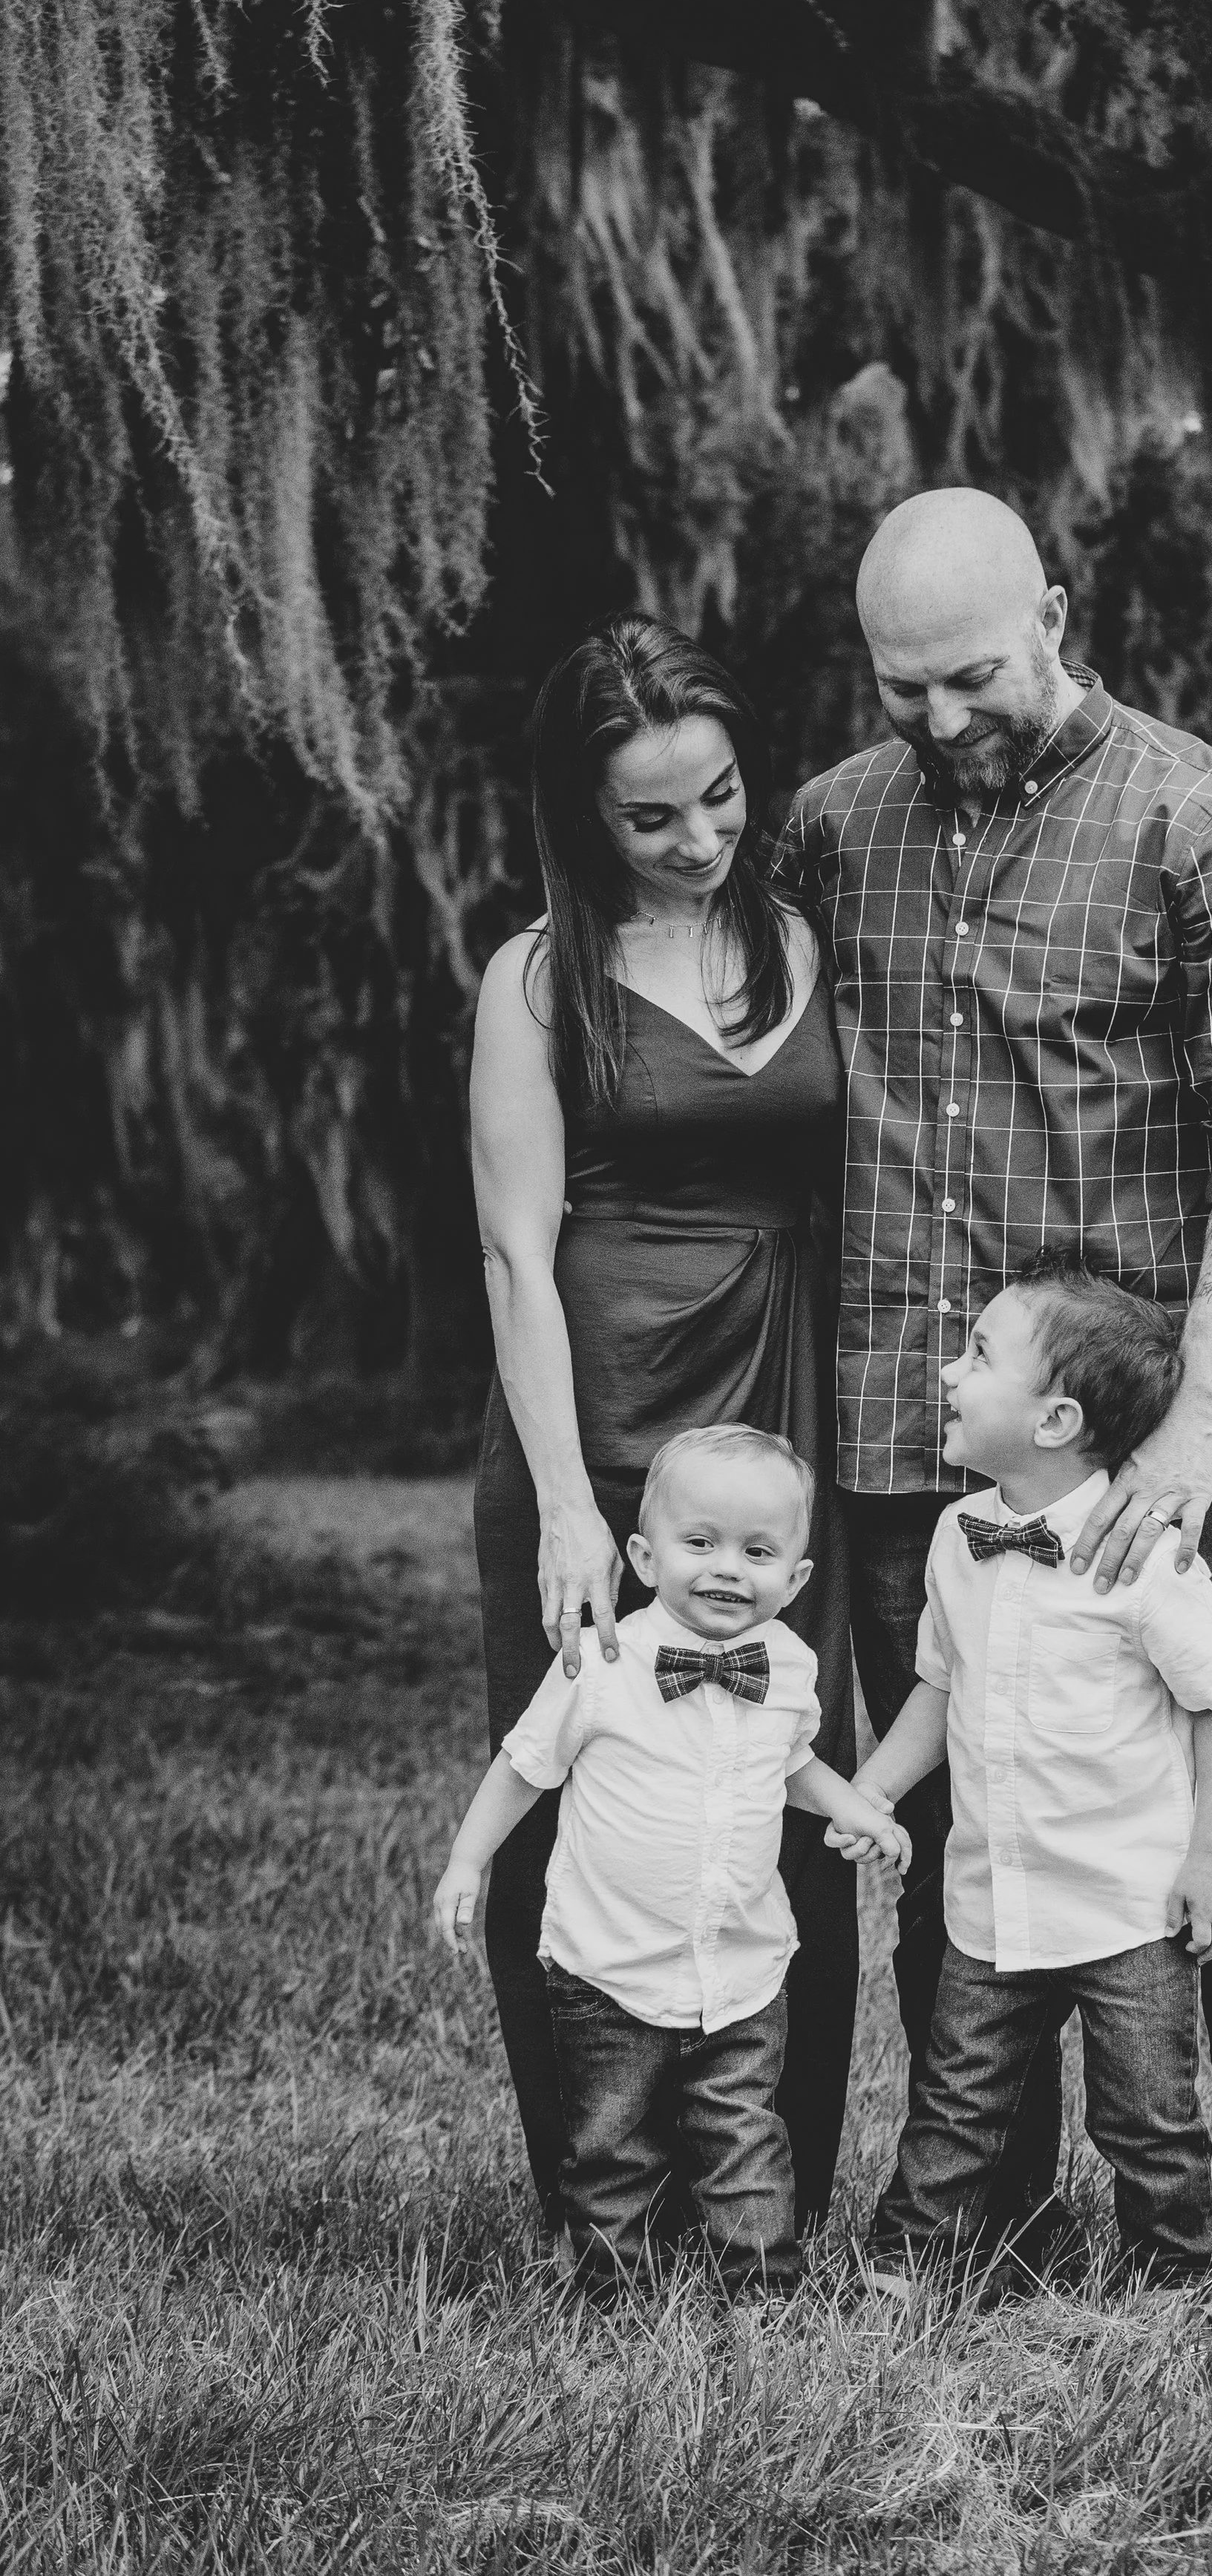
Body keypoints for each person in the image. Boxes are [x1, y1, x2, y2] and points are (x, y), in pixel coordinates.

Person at [776, 486, 1212, 2267]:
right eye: (904, 691)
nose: (943, 720)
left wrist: (1199, 1412)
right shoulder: (828, 823)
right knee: (960, 1820)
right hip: (912, 1409)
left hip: (1145, 1437)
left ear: (1056, 608)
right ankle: (1004, 2210)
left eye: (972, 675)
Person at [471, 612, 859, 2239]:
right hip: (602, 1403)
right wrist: (568, 1499)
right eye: (652, 816)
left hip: (782, 1415)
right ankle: (599, 2200)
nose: (697, 839)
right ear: (583, 817)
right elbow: (514, 1248)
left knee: (793, 1772)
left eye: (717, 797)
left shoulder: (802, 937)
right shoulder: (539, 977)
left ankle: (768, 2197)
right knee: (584, 1800)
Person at [841, 1261, 1212, 2289]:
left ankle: (1182, 2277)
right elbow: (938, 1692)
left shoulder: (1146, 1559)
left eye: (977, 1354)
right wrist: (873, 1789)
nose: (947, 1369)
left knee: (1148, 2118)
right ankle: (906, 2261)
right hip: (995, 1898)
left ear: (1057, 1418)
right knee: (955, 2101)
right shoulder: (954, 1537)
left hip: (1126, 1905)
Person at [437, 1426, 908, 2297]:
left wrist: (853, 1806)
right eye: (701, 1544)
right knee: (611, 2142)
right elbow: (523, 1764)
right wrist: (469, 1860)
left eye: (758, 1551)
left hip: (740, 1964)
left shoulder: (791, 1666)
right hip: (608, 1962)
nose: (729, 1567)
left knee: (745, 2136)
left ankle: (763, 2287)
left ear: (796, 1578)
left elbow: (792, 1764)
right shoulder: (602, 1661)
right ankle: (611, 2290)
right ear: (645, 1559)